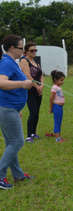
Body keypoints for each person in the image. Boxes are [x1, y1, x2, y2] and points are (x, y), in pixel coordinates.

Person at [0, 35, 34, 190]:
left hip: (11, 109)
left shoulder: (12, 63)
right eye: (21, 48)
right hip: (6, 109)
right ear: (12, 48)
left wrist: (18, 109)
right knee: (17, 142)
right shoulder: (6, 62)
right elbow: (1, 82)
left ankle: (18, 174)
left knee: (10, 143)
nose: (23, 51)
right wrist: (23, 83)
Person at [19, 42, 44, 143]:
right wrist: (37, 87)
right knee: (33, 112)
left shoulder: (35, 62)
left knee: (37, 112)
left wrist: (41, 86)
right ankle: (29, 136)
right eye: (31, 50)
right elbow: (28, 76)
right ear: (26, 51)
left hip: (38, 89)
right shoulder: (24, 61)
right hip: (30, 90)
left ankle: (34, 133)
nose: (34, 52)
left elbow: (41, 75)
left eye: (35, 50)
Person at [49, 70, 67, 142]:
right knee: (57, 122)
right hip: (56, 107)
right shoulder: (54, 87)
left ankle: (59, 137)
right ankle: (57, 138)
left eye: (63, 80)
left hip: (60, 107)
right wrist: (51, 108)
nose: (62, 81)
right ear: (55, 80)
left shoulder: (58, 87)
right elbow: (51, 98)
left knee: (59, 122)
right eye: (61, 80)